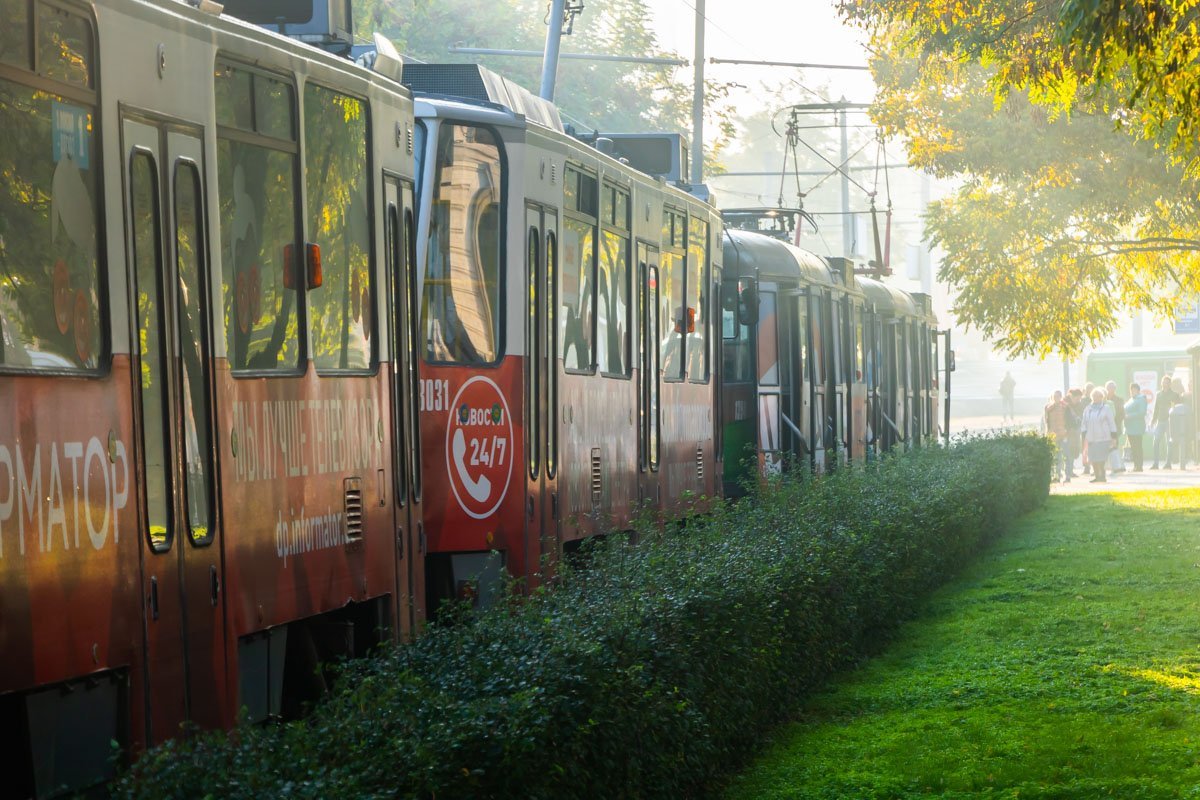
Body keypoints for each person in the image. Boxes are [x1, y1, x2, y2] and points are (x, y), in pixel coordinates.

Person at [1081, 387, 1118, 483]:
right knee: (1093, 458)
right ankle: (1097, 476)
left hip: (1103, 438)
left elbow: (1111, 423)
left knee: (1101, 458)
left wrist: (1114, 437)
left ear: (1102, 397)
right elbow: (1084, 423)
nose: (1095, 398)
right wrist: (1084, 436)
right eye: (1094, 396)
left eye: (1098, 396)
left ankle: (1102, 476)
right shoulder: (1087, 409)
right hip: (1091, 438)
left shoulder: (1106, 408)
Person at [1150, 374, 1180, 469]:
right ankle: (1155, 463)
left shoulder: (1174, 395)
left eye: (1167, 382)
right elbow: (1156, 408)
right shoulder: (1158, 394)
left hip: (1170, 421)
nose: (1165, 384)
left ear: (1170, 384)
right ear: (1161, 383)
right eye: (1164, 382)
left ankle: (1168, 463)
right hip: (1160, 421)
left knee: (1169, 443)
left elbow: (1176, 408)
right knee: (1156, 441)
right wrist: (1153, 420)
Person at [1044, 390, 1072, 482]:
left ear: (1061, 397)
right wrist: (1047, 433)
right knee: (1056, 456)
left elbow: (1070, 420)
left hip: (1064, 435)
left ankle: (1068, 476)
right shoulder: (1048, 407)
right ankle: (1057, 475)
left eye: (1058, 396)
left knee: (1066, 455)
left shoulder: (1066, 406)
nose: (1056, 398)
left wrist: (1067, 431)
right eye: (1054, 396)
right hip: (1053, 435)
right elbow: (1046, 421)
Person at [1123, 383, 1148, 472]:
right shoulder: (1131, 400)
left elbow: (1142, 413)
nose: (1132, 391)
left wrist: (1129, 416)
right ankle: (1135, 466)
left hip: (1137, 427)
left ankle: (1139, 466)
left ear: (1138, 390)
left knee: (1137, 447)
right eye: (1131, 390)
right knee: (1133, 448)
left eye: (1134, 389)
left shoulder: (1141, 399)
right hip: (1129, 428)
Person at [1105, 381, 1126, 473]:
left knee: (1114, 446)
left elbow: (1122, 414)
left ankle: (1119, 466)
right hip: (1104, 428)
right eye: (1109, 388)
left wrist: (1114, 421)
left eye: (1112, 388)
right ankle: (1113, 466)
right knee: (1107, 447)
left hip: (1115, 427)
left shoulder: (1119, 400)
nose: (1110, 390)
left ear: (1115, 389)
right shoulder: (1102, 399)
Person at [1169, 393, 1190, 469]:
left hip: (1177, 432)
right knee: (1182, 443)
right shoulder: (1185, 408)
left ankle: (1177, 459)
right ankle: (1179, 459)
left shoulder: (1175, 408)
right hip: (1182, 431)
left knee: (1177, 443)